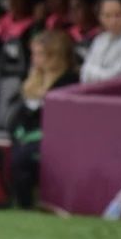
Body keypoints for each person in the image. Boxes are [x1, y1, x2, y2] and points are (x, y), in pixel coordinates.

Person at [9, 30, 79, 208]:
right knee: (16, 151)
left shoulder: (69, 81)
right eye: (34, 53)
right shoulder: (32, 80)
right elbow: (19, 115)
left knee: (22, 157)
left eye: (41, 54)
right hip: (27, 136)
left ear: (55, 55)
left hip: (53, 138)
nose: (35, 59)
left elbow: (62, 121)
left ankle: (27, 205)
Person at [80, 0, 121, 83]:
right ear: (100, 17)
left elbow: (115, 77)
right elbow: (84, 73)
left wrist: (92, 72)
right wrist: (98, 73)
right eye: (107, 16)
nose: (113, 21)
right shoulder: (99, 40)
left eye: (118, 15)